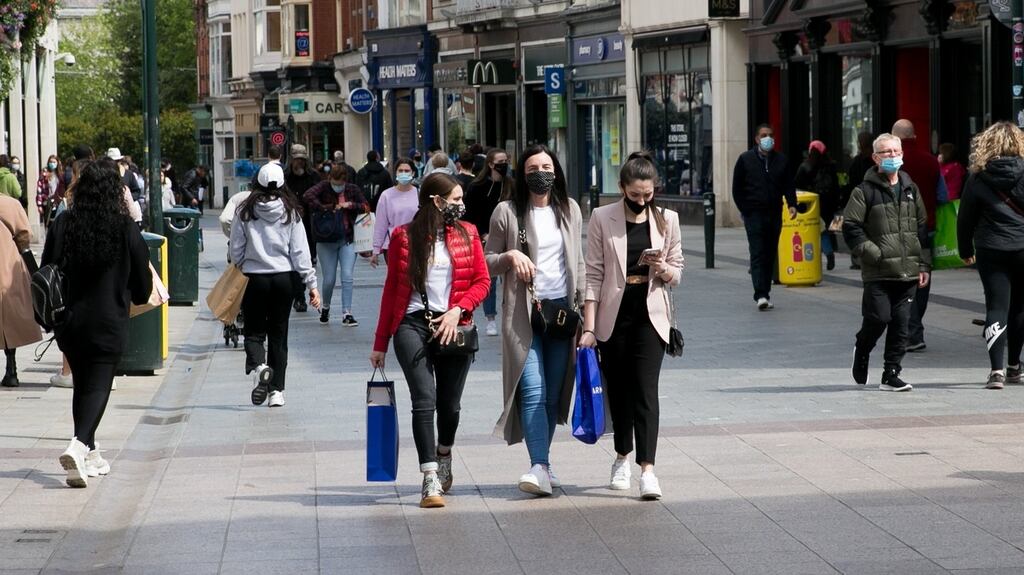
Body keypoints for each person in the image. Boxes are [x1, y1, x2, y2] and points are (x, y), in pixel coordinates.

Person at [370, 172, 490, 508]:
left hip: (455, 326)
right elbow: (392, 288)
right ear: (436, 201)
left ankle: (444, 451)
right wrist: (380, 342)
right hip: (412, 325)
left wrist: (458, 310)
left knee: (449, 406)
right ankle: (429, 477)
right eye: (455, 200)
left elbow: (482, 281)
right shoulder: (404, 238)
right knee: (424, 400)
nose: (461, 206)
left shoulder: (468, 234)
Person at [41, 159, 152, 487]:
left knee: (83, 385)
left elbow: (46, 269)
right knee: (100, 385)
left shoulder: (64, 225)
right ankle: (78, 444)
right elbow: (144, 285)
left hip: (70, 322)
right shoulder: (125, 227)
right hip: (109, 321)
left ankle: (88, 454)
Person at [580, 151, 683, 500]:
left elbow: (678, 270)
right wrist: (590, 328)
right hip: (613, 317)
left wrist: (662, 268)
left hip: (651, 317)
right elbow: (593, 274)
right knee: (620, 392)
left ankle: (648, 469)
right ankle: (621, 457)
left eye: (648, 194)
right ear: (622, 187)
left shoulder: (668, 219)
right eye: (635, 194)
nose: (642, 200)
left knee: (645, 391)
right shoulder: (601, 217)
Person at [486, 144, 585, 497]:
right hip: (524, 314)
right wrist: (510, 256)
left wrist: (584, 317)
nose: (540, 172)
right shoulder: (507, 212)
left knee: (553, 395)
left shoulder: (569, 209)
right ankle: (539, 466)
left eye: (545, 165)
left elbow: (580, 262)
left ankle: (544, 461)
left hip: (561, 312)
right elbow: (487, 260)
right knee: (532, 389)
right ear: (522, 174)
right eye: (532, 167)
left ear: (555, 171)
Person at [843, 133, 931, 392]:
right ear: (875, 158)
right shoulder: (864, 191)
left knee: (902, 325)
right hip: (878, 272)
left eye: (896, 151)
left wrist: (924, 265)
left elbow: (922, 228)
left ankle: (891, 374)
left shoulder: (910, 188)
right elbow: (851, 227)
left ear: (902, 154)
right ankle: (862, 347)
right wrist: (874, 254)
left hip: (908, 272)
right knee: (878, 318)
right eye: (886, 152)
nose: (892, 156)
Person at [230, 163, 320, 408]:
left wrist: (240, 264)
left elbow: (236, 248)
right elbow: (301, 252)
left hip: (255, 279)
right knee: (279, 336)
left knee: (254, 332)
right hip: (284, 280)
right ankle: (276, 392)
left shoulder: (245, 211)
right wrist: (311, 284)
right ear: (282, 185)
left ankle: (259, 366)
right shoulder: (290, 212)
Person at [956, 122, 1024, 390]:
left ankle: (996, 371)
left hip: (990, 249)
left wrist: (965, 250)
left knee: (996, 307)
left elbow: (965, 219)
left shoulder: (977, 177)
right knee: (1020, 307)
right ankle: (1015, 367)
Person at [732, 124, 798, 310]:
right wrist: (745, 209)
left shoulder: (781, 160)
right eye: (763, 135)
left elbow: (788, 185)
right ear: (756, 139)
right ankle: (760, 293)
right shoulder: (745, 160)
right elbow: (737, 188)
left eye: (770, 135)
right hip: (753, 214)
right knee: (758, 252)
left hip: (774, 213)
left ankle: (765, 292)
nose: (767, 138)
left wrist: (792, 204)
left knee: (769, 253)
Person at [892, 119, 942, 352]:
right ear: (914, 135)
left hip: (896, 231)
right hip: (926, 230)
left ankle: (905, 332)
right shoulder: (931, 162)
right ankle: (915, 330)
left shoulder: (891, 163)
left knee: (899, 280)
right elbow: (942, 196)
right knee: (922, 278)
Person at [303, 164, 369, 325]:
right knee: (329, 279)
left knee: (347, 276)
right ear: (330, 178)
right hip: (326, 240)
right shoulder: (324, 187)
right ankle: (325, 307)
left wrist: (350, 205)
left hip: (347, 238)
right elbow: (307, 196)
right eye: (335, 182)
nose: (338, 186)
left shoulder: (352, 189)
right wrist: (327, 208)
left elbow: (366, 206)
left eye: (341, 183)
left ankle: (347, 312)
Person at [465, 148, 512, 336]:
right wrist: (483, 234)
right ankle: (490, 318)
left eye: (506, 160)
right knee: (490, 280)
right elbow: (470, 215)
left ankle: (511, 315)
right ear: (491, 164)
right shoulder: (477, 187)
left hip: (510, 238)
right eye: (500, 161)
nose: (504, 164)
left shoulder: (511, 186)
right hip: (486, 239)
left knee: (510, 279)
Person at [0, 195, 42, 388]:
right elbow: (24, 235)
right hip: (8, 264)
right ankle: (11, 367)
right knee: (8, 317)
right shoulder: (11, 204)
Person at [284, 145, 322, 313]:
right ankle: (299, 298)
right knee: (293, 262)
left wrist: (309, 205)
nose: (299, 163)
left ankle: (307, 291)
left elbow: (320, 196)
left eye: (302, 159)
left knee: (308, 259)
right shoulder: (284, 177)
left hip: (309, 224)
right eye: (296, 159)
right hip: (290, 224)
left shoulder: (314, 176)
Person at [794, 140, 840, 271]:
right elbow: (835, 187)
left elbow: (797, 185)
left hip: (810, 204)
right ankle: (829, 252)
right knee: (824, 230)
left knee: (812, 230)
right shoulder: (831, 165)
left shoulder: (805, 166)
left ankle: (816, 255)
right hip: (828, 204)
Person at [370, 158, 419, 268]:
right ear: (395, 173)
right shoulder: (386, 195)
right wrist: (376, 249)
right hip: (393, 244)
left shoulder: (419, 194)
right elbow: (380, 224)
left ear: (413, 173)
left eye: (407, 171)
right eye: (400, 171)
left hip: (416, 245)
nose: (403, 173)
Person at [844, 132, 875, 270]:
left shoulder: (863, 161)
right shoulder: (860, 161)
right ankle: (859, 258)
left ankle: (861, 258)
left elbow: (851, 183)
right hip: (864, 201)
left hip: (866, 201)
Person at [36, 154, 65, 227]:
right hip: (47, 203)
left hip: (57, 202)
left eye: (54, 162)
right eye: (50, 162)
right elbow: (39, 190)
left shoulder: (60, 174)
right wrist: (39, 205)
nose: (52, 164)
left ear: (57, 163)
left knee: (57, 223)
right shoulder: (44, 174)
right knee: (48, 224)